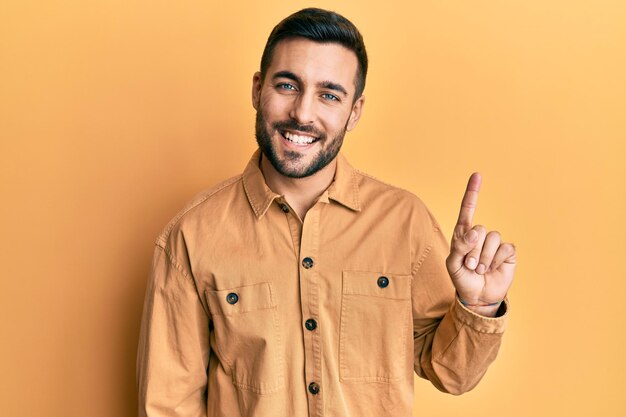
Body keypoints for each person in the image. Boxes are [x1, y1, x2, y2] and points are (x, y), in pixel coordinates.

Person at [136, 7, 516, 417]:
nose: (302, 113)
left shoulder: (405, 222)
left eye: (329, 95)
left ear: (354, 111)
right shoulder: (192, 235)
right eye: (287, 85)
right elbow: (168, 405)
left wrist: (477, 307)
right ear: (257, 89)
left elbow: (451, 373)